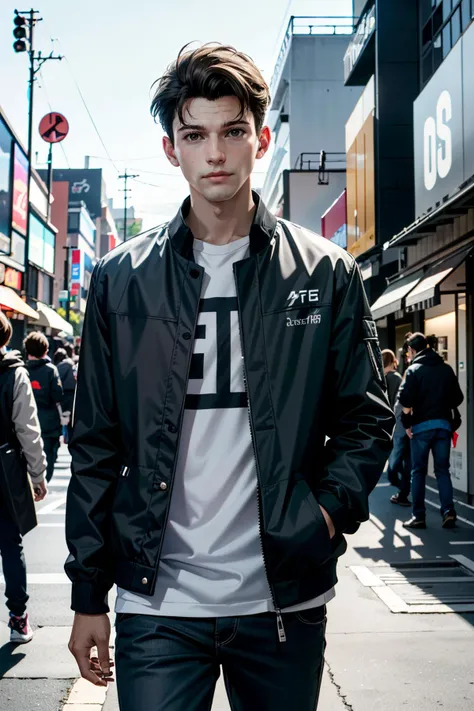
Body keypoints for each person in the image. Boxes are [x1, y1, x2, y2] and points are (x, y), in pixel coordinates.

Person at [65, 43, 394, 710]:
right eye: (195, 135)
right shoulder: (121, 281)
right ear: (171, 150)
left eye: (232, 131)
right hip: (157, 603)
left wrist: (324, 516)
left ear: (261, 140)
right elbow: (96, 443)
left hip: (283, 600)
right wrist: (86, 594)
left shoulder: (325, 273)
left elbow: (367, 419)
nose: (215, 152)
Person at [0, 312, 48, 643]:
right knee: (9, 542)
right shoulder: (13, 374)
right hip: (3, 469)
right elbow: (27, 429)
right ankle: (18, 619)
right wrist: (38, 474)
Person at [398, 332, 464, 529]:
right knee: (443, 471)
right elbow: (457, 398)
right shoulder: (446, 369)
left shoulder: (413, 370)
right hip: (443, 426)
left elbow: (405, 401)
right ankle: (448, 511)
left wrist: (407, 423)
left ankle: (418, 516)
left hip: (421, 428)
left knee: (418, 471)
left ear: (411, 350)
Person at [24, 332, 64, 483]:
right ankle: (42, 484)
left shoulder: (21, 370)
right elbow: (58, 396)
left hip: (26, 422)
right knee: (49, 459)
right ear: (45, 351)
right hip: (48, 424)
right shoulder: (51, 370)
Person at [54, 347, 76, 443]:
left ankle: (64, 437)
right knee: (71, 419)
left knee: (62, 418)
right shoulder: (72, 364)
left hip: (65, 395)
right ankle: (69, 438)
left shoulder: (60, 366)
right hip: (73, 394)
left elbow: (57, 380)